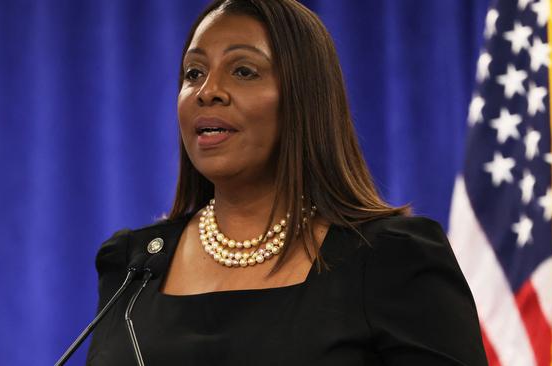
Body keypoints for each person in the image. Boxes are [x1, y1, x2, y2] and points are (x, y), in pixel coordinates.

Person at [87, 0, 488, 365]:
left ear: (305, 97)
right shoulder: (132, 265)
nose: (208, 92)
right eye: (194, 73)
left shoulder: (392, 259)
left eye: (243, 71)